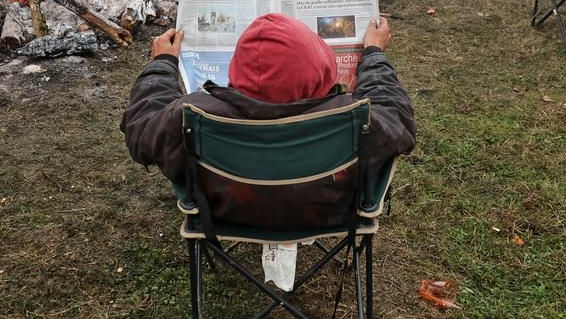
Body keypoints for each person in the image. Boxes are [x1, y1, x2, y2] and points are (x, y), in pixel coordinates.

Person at [121, 14, 416, 227]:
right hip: (328, 210)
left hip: (224, 212)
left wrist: (162, 63)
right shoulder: (349, 117)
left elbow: (141, 130)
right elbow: (397, 117)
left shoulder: (194, 113)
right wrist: (374, 54)